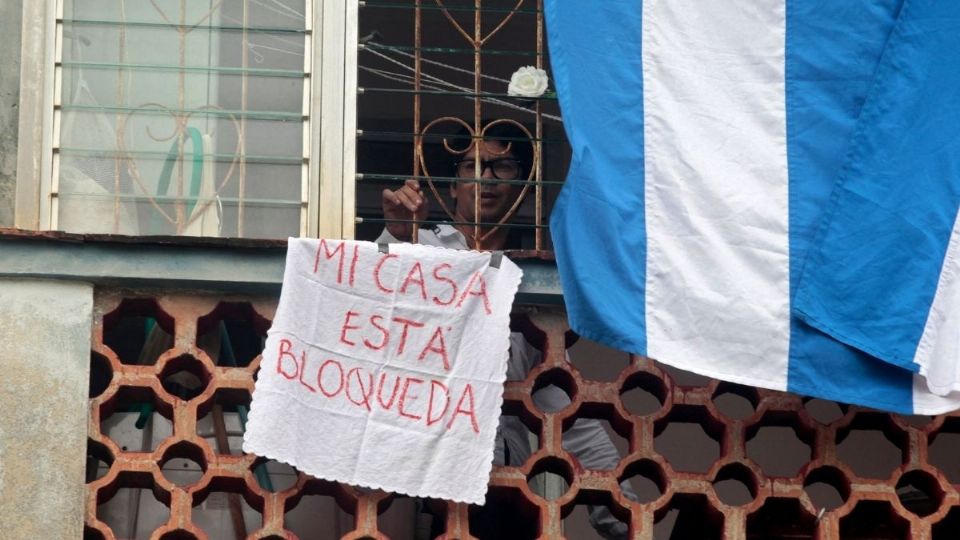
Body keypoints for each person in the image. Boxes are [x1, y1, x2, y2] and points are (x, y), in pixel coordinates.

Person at [377, 122, 634, 539]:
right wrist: (397, 235)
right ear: (454, 183)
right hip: (435, 483)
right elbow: (378, 303)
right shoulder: (425, 247)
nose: (486, 178)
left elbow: (565, 407)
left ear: (525, 187)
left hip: (506, 485)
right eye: (472, 165)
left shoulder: (525, 279)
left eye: (504, 167)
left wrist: (627, 513)